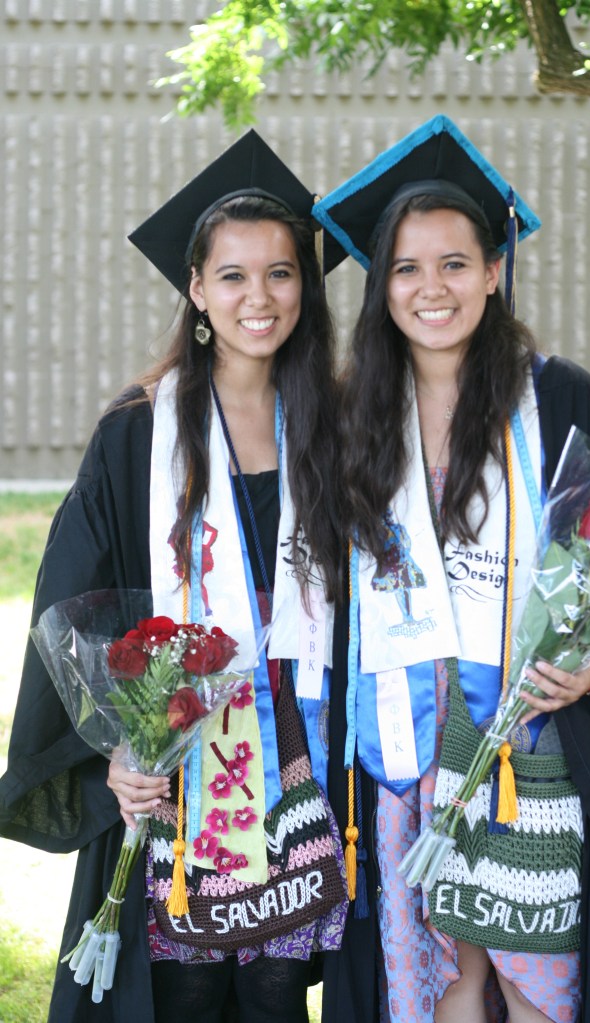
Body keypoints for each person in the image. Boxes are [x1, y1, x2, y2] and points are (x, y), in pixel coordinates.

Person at [315, 115, 590, 1023]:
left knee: (533, 979)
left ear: (493, 270)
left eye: (454, 263)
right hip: (402, 746)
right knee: (443, 979)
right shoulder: (352, 417)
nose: (431, 288)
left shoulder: (559, 397)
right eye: (406, 268)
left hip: (530, 741)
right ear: (380, 284)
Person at [0, 130, 348, 1023]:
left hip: (298, 753)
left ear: (305, 287)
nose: (258, 297)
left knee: (275, 989)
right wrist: (115, 748)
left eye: (280, 273)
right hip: (183, 754)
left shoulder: (337, 428)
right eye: (232, 275)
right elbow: (73, 601)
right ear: (196, 289)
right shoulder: (137, 432)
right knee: (182, 988)